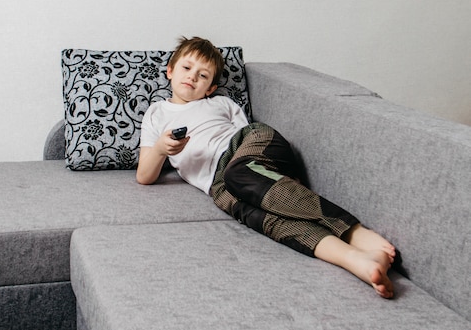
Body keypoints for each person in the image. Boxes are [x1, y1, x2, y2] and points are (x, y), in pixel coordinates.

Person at [137, 36, 396, 298]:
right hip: (217, 184)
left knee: (239, 173)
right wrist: (160, 149)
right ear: (170, 70)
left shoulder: (220, 104)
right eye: (186, 68)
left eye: (202, 75)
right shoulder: (156, 114)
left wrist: (244, 165)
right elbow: (144, 176)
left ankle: (353, 231)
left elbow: (247, 135)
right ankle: (356, 260)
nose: (192, 76)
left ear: (210, 88)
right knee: (264, 219)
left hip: (249, 146)